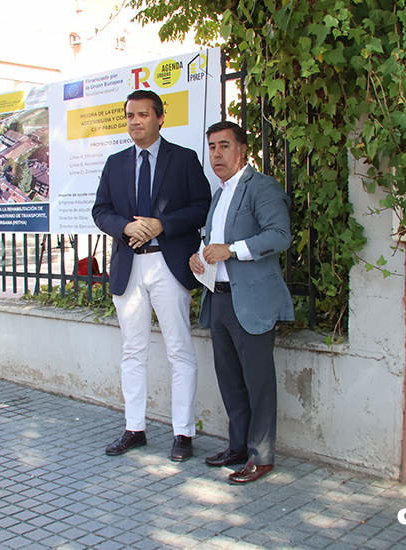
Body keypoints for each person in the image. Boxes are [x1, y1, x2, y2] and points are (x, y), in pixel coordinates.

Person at [92, 90, 211, 461]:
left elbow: (201, 207)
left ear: (161, 118)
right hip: (130, 265)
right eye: (130, 115)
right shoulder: (115, 164)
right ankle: (134, 428)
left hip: (168, 263)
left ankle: (183, 433)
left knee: (179, 350)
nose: (135, 121)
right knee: (133, 351)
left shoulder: (184, 159)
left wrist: (162, 224)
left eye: (143, 115)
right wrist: (127, 227)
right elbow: (101, 211)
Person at [189, 121, 293, 484]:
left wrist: (230, 251)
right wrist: (199, 257)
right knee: (230, 380)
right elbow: (213, 242)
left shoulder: (260, 187)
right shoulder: (218, 194)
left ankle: (261, 457)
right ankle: (237, 447)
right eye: (212, 147)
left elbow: (279, 236)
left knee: (258, 383)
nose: (216, 154)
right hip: (219, 298)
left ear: (242, 150)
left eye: (224, 146)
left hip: (251, 303)